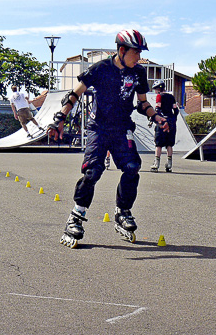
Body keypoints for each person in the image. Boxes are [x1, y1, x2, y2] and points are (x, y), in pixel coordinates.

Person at [48, 29, 169, 248]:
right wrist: (60, 118)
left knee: (132, 167)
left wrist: (157, 117)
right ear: (121, 50)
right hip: (99, 128)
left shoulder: (138, 73)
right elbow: (74, 94)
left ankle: (123, 211)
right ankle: (76, 217)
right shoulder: (100, 69)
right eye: (135, 52)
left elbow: (142, 103)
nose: (139, 57)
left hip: (122, 128)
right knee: (92, 171)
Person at [150, 80, 179, 172]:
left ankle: (156, 164)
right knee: (169, 144)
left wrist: (155, 119)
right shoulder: (171, 96)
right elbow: (176, 110)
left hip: (162, 122)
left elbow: (157, 109)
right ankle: (169, 164)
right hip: (171, 122)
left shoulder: (159, 96)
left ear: (158, 89)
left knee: (158, 144)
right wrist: (173, 119)